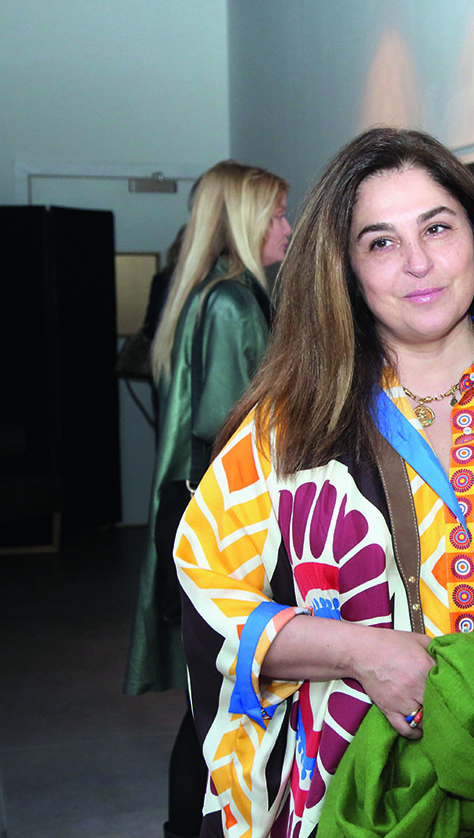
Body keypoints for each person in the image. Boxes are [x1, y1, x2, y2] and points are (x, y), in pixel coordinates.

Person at [174, 128, 474, 838]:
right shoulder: (289, 426)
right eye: (380, 242)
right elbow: (208, 599)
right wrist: (362, 652)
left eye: (437, 227)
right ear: (345, 269)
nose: (419, 264)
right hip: (346, 795)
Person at [124, 160, 290, 838]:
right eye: (277, 214)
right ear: (248, 219)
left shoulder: (227, 292)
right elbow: (231, 432)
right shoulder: (231, 300)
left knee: (210, 701)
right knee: (212, 707)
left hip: (206, 512)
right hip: (225, 523)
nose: (287, 227)